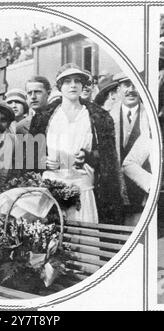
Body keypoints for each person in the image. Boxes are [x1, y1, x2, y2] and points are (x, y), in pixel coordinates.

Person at [31, 63, 123, 224]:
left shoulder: (99, 117)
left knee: (84, 236)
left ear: (83, 85)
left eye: (77, 81)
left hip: (83, 187)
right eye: (67, 81)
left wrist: (88, 156)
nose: (73, 85)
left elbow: (109, 158)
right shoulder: (43, 118)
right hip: (51, 187)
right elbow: (27, 156)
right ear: (59, 86)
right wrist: (41, 161)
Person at [109, 72, 150, 225]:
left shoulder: (151, 118)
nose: (131, 89)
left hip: (142, 193)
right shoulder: (107, 118)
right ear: (118, 89)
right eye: (126, 85)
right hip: (115, 192)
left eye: (136, 85)